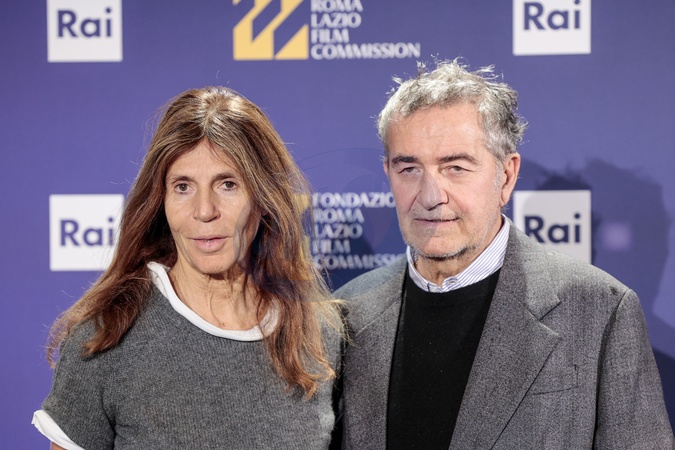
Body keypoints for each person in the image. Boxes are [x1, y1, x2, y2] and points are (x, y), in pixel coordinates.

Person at [334, 60, 675, 449]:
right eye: (409, 169)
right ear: (388, 174)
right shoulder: (346, 315)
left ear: (506, 176)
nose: (430, 196)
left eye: (455, 168)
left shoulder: (599, 311)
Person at [33, 86, 344, 449]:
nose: (204, 210)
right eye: (183, 187)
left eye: (227, 184)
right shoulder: (107, 336)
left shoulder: (318, 334)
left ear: (264, 198)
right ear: (160, 200)